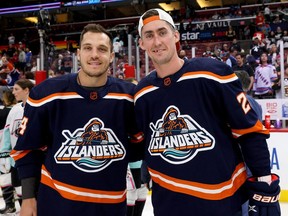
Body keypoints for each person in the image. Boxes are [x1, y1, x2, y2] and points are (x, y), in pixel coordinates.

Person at [134, 8, 280, 216]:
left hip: (222, 205)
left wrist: (264, 181)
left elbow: (249, 131)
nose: (156, 41)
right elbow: (139, 146)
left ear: (176, 35)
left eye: (162, 32)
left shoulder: (213, 73)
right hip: (169, 207)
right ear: (141, 43)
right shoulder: (142, 94)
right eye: (149, 35)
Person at [10, 23, 143, 216]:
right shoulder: (46, 93)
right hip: (57, 205)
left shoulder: (129, 96)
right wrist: (29, 199)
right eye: (88, 48)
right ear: (78, 54)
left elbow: (138, 145)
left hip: (111, 207)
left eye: (102, 49)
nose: (95, 55)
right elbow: (28, 149)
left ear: (112, 56)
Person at [0, 79, 34, 214]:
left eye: (16, 89)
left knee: (33, 195)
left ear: (26, 90)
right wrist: (4, 153)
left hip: (34, 159)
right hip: (16, 160)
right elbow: (8, 134)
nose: (13, 92)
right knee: (20, 190)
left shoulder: (39, 107)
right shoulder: (14, 109)